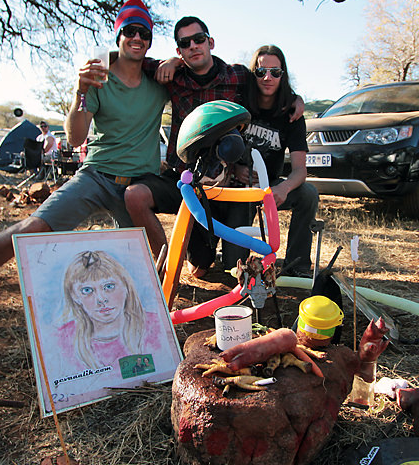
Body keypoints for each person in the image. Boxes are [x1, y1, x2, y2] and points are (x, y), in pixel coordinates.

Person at [0, 0, 167, 335]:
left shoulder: (159, 80)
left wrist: (173, 60)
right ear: (118, 35)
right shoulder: (98, 76)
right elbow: (75, 136)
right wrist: (80, 91)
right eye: (130, 30)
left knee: (158, 260)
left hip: (136, 188)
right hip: (97, 176)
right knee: (28, 230)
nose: (137, 37)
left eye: (144, 32)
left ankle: (159, 315)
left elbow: (195, 73)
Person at [124, 16, 304, 277]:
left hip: (224, 185)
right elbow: (130, 58)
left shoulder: (237, 75)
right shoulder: (172, 75)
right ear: (179, 51)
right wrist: (170, 62)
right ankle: (164, 269)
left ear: (210, 42)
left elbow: (270, 81)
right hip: (186, 182)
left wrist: (296, 99)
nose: (193, 46)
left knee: (232, 268)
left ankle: (241, 253)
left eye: (198, 39)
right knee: (196, 266)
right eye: (185, 44)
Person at [222, 45, 318, 276]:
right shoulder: (238, 104)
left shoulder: (292, 114)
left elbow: (300, 170)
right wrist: (234, 169)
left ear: (283, 75)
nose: (268, 78)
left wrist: (284, 188)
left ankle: (297, 265)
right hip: (239, 189)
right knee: (232, 266)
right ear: (252, 73)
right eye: (261, 71)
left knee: (308, 193)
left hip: (271, 187)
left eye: (275, 72)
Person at [55, 250, 164, 371]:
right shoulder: (62, 339)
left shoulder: (155, 326)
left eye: (109, 286)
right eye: (87, 290)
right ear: (74, 296)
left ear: (126, 286)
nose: (101, 299)